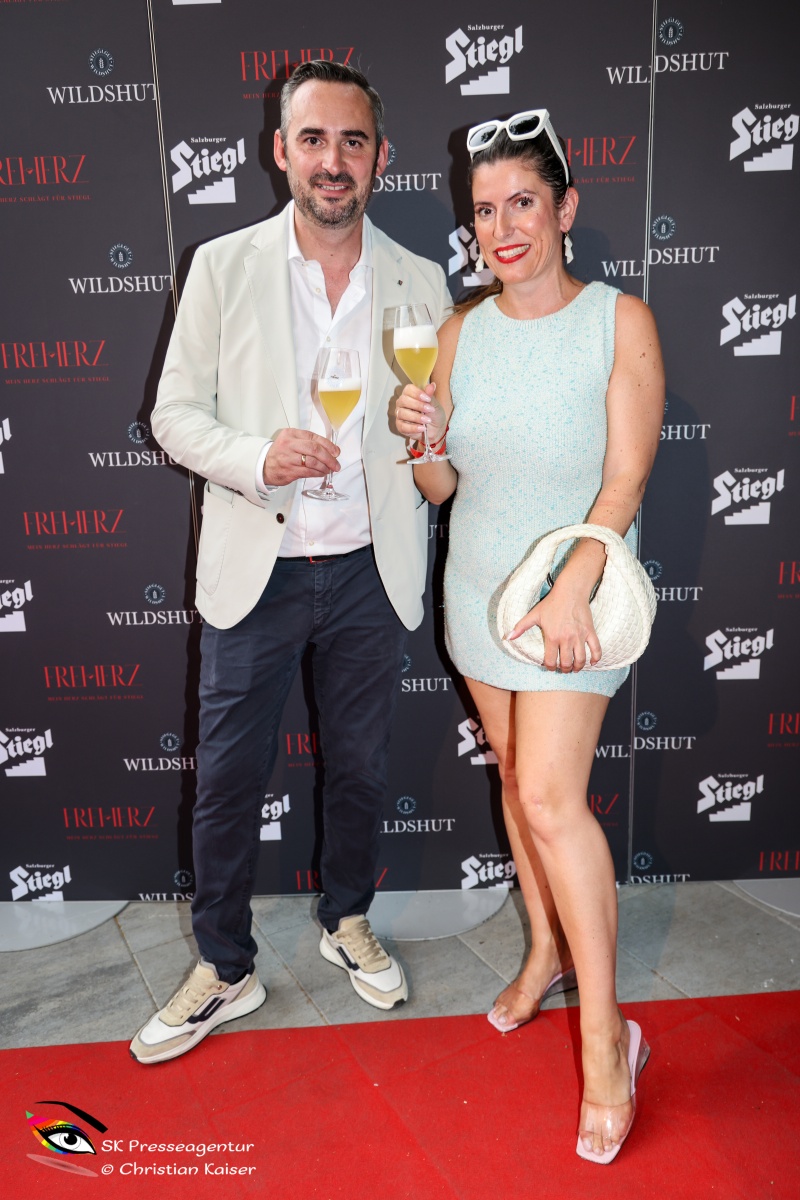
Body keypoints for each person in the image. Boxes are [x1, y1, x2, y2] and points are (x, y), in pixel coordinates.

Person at [130, 60, 450, 1065]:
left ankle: (346, 918)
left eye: (353, 140)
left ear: (381, 157)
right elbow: (172, 415)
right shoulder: (222, 266)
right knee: (228, 778)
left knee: (359, 769)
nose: (332, 160)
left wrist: (432, 428)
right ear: (280, 151)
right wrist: (256, 457)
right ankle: (225, 967)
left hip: (367, 569)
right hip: (257, 567)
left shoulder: (422, 281)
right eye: (313, 139)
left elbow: (436, 436)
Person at [396, 110, 664, 1163]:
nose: (501, 229)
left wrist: (570, 588)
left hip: (574, 604)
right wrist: (419, 438)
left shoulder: (618, 321)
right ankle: (546, 949)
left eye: (521, 203)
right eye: (484, 210)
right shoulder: (459, 331)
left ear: (564, 208)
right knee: (515, 779)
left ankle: (606, 1040)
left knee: (551, 797)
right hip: (479, 596)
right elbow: (442, 487)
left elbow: (625, 478)